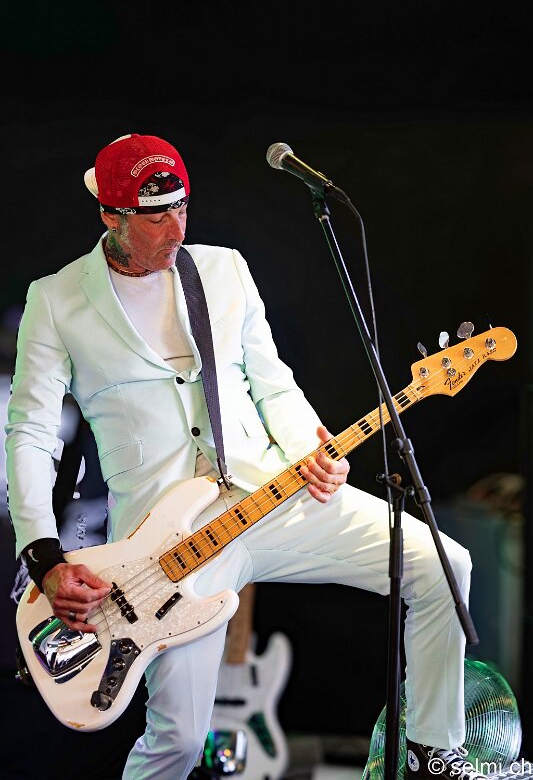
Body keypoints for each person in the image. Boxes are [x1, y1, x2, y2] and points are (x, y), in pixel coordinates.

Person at [6, 134, 481, 780]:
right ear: (110, 216)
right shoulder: (57, 300)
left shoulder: (223, 270)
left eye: (182, 209)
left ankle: (431, 751)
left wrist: (311, 447)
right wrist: (42, 556)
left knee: (443, 566)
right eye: (156, 217)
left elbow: (272, 383)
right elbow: (32, 432)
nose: (176, 229)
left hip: (271, 493)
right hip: (166, 551)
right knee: (177, 742)